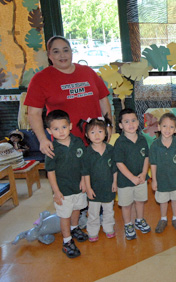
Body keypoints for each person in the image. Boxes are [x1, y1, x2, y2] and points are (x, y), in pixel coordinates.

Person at [25, 35, 112, 157]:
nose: (62, 55)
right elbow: (33, 113)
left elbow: (103, 100)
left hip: (95, 140)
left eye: (66, 50)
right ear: (49, 55)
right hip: (65, 144)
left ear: (71, 52)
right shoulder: (40, 79)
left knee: (99, 174)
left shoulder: (88, 72)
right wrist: (42, 139)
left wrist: (108, 125)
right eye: (56, 51)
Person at [44, 110, 88, 258]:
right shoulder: (51, 149)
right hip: (63, 190)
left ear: (70, 126)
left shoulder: (78, 142)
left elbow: (83, 163)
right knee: (65, 216)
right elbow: (50, 172)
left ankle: (75, 228)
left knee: (77, 209)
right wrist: (56, 192)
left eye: (63, 127)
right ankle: (67, 241)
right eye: (56, 129)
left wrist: (83, 180)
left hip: (78, 186)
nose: (61, 132)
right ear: (49, 130)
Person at [113, 109, 151, 240]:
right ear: (121, 125)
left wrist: (144, 173)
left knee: (140, 201)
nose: (131, 124)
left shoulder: (142, 139)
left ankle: (139, 220)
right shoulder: (119, 143)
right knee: (126, 204)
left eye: (133, 120)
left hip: (141, 179)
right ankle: (128, 224)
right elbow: (119, 163)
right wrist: (132, 178)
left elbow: (146, 157)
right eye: (126, 121)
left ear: (138, 122)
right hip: (125, 181)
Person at [80, 116, 117, 242]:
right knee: (93, 212)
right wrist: (88, 188)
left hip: (108, 187)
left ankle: (108, 228)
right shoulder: (87, 153)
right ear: (87, 135)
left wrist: (115, 182)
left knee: (108, 210)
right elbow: (85, 172)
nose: (97, 135)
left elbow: (115, 169)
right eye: (92, 132)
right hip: (94, 189)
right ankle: (92, 231)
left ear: (105, 133)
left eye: (100, 131)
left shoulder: (111, 150)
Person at [150, 113, 176, 233]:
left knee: (175, 199)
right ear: (159, 127)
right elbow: (153, 164)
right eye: (164, 126)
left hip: (175, 179)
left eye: (171, 127)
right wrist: (154, 180)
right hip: (161, 180)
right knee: (163, 200)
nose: (167, 130)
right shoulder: (155, 145)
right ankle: (163, 219)